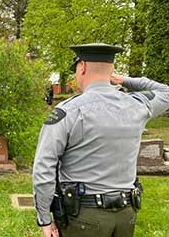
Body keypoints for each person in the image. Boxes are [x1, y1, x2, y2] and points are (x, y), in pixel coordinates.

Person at [33, 43, 169, 237]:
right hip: (126, 213)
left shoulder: (68, 111)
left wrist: (44, 218)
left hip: (82, 217)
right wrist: (124, 79)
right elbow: (165, 91)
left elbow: (44, 166)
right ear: (111, 69)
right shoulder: (137, 105)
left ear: (82, 67)